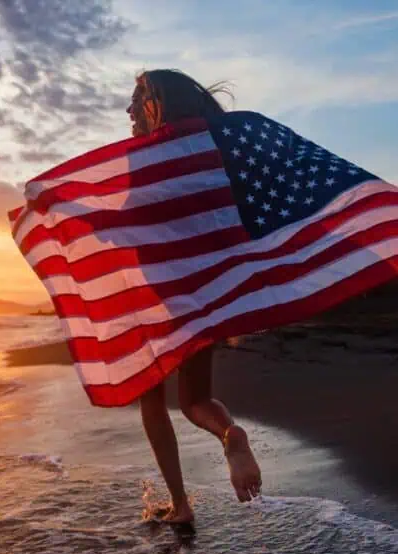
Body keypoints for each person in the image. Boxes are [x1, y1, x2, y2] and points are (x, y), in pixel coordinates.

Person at [126, 69, 262, 524]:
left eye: (135, 101)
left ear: (154, 105)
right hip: (199, 295)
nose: (128, 111)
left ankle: (181, 505)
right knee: (195, 400)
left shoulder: (144, 159)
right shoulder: (204, 154)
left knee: (152, 401)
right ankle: (230, 433)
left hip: (154, 298)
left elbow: (123, 223)